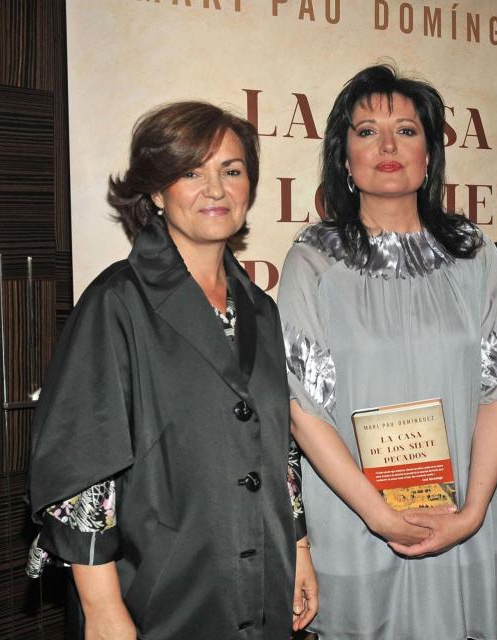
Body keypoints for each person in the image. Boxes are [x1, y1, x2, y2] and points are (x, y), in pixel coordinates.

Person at [26, 101, 317, 640]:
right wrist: (103, 610)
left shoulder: (260, 309)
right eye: (191, 172)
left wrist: (297, 547)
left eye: (231, 170)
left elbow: (280, 448)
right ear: (157, 193)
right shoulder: (116, 302)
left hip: (261, 581)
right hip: (157, 594)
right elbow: (81, 469)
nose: (215, 189)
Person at [278, 64, 497, 640]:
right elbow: (303, 408)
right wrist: (380, 515)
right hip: (357, 521)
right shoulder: (313, 259)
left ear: (429, 154)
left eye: (408, 130)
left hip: (464, 514)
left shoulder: (474, 252)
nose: (388, 145)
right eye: (367, 131)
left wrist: (469, 516)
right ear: (344, 159)